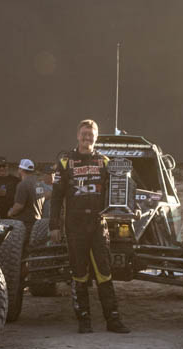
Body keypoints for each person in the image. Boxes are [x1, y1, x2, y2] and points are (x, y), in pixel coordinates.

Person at [47, 119, 131, 334]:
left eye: (91, 135)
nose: (87, 138)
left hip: (97, 224)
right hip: (74, 226)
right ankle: (84, 321)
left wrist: (129, 203)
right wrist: (53, 225)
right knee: (79, 274)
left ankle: (113, 320)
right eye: (84, 134)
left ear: (96, 138)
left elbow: (117, 189)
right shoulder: (65, 162)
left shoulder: (104, 161)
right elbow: (56, 198)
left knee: (104, 272)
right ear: (78, 135)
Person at [5, 157, 43, 237]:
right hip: (37, 223)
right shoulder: (38, 183)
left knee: (22, 247)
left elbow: (19, 206)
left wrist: (10, 213)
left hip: (25, 224)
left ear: (20, 170)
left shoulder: (23, 184)